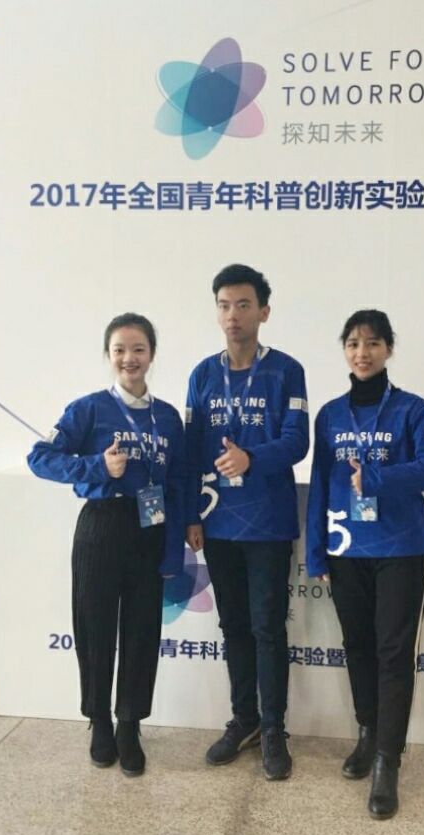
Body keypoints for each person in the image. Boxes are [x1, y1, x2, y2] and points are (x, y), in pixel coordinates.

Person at [306, 309, 424, 818]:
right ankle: (368, 733)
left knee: (393, 654)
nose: (361, 352)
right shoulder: (330, 415)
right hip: (347, 551)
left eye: (371, 343)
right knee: (358, 646)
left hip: (401, 550)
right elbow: (321, 484)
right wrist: (315, 549)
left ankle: (389, 759)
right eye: (352, 343)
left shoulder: (413, 409)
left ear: (388, 348)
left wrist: (378, 478)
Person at [27, 313, 185, 776]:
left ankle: (129, 724)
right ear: (108, 355)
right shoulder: (89, 409)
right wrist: (97, 466)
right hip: (101, 525)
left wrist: (174, 547)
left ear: (151, 355)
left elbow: (178, 483)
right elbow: (41, 458)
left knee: (141, 631)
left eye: (138, 349)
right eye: (119, 350)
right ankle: (99, 720)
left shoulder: (168, 417)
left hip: (150, 528)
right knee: (95, 627)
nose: (128, 358)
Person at [185, 264, 309, 780]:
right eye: (223, 305)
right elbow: (191, 449)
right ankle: (245, 720)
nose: (232, 315)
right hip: (218, 523)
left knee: (267, 628)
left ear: (263, 312)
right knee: (233, 626)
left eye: (242, 305)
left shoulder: (286, 371)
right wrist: (190, 513)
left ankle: (274, 727)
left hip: (268, 523)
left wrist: (251, 458)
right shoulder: (202, 375)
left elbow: (297, 441)